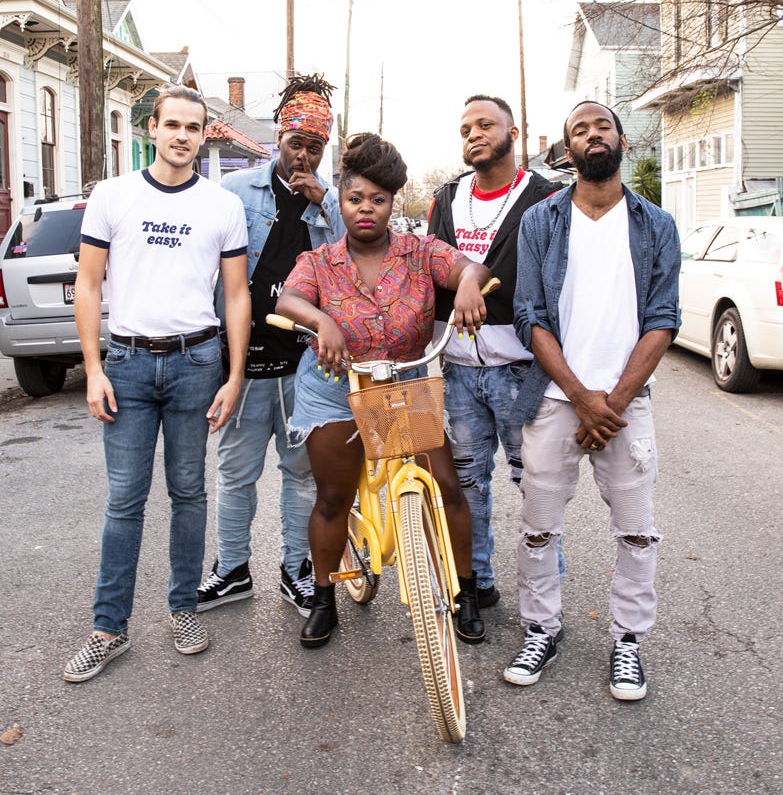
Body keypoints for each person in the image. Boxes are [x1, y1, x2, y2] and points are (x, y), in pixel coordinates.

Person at [64, 85, 251, 683]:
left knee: (190, 492)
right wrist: (93, 369)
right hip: (127, 364)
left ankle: (183, 609)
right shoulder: (112, 197)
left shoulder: (222, 207)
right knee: (125, 500)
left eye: (193, 127)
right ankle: (108, 629)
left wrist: (235, 375)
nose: (181, 136)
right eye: (172, 124)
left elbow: (236, 295)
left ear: (204, 135)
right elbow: (89, 285)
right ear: (153, 129)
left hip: (197, 364)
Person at [275, 133, 492, 649]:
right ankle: (324, 599)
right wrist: (320, 319)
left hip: (404, 384)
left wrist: (465, 284)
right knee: (332, 497)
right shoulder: (320, 261)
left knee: (447, 485)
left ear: (393, 203)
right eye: (355, 199)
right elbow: (288, 300)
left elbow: (470, 267)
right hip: (335, 389)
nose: (366, 209)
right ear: (340, 201)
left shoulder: (419, 252)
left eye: (379, 200)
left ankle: (465, 592)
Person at [503, 100, 681, 701]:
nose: (592, 135)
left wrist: (615, 402)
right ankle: (540, 629)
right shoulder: (542, 222)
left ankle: (628, 642)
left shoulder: (656, 226)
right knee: (537, 528)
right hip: (556, 400)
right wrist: (582, 397)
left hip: (626, 407)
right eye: (579, 130)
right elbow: (529, 316)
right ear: (568, 150)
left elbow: (663, 319)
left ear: (622, 140)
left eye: (601, 125)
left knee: (635, 531)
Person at [196, 74, 344, 618]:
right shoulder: (235, 194)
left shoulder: (332, 206)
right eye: (295, 143)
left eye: (314, 147)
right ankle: (232, 569)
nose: (303, 155)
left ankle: (295, 570)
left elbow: (350, 265)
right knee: (235, 470)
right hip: (245, 361)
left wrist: (326, 204)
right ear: (279, 139)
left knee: (301, 471)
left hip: (306, 366)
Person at [427, 94, 559, 608]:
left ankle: (540, 600)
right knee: (467, 488)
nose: (474, 134)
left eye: (485, 124)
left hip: (521, 370)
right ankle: (476, 582)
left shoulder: (545, 198)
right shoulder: (446, 198)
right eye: (465, 129)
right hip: (458, 370)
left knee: (536, 488)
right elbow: (430, 268)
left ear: (514, 133)